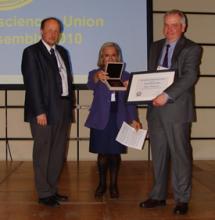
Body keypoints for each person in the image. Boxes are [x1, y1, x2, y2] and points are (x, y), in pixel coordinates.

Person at [139, 10, 202, 214]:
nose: (169, 29)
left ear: (183, 27)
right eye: (166, 24)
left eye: (174, 25)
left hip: (176, 110)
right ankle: (158, 196)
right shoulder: (155, 46)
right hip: (155, 111)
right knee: (158, 155)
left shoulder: (191, 48)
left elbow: (190, 76)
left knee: (180, 155)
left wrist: (166, 95)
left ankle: (182, 199)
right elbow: (150, 75)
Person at [21, 17, 75, 207]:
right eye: (49, 30)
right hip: (43, 111)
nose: (53, 34)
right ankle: (44, 193)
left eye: (56, 30)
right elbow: (32, 84)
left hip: (62, 108)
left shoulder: (62, 52)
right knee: (43, 152)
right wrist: (39, 111)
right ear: (41, 31)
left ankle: (51, 190)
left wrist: (70, 106)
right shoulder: (31, 52)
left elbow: (66, 81)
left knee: (58, 153)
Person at [85, 42, 141, 198]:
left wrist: (134, 119)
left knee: (115, 155)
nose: (110, 58)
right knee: (102, 155)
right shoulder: (94, 73)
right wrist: (98, 77)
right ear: (102, 58)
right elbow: (90, 84)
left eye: (113, 55)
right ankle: (102, 184)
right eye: (106, 55)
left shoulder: (127, 76)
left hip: (119, 119)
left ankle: (114, 185)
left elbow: (130, 101)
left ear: (118, 57)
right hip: (101, 119)